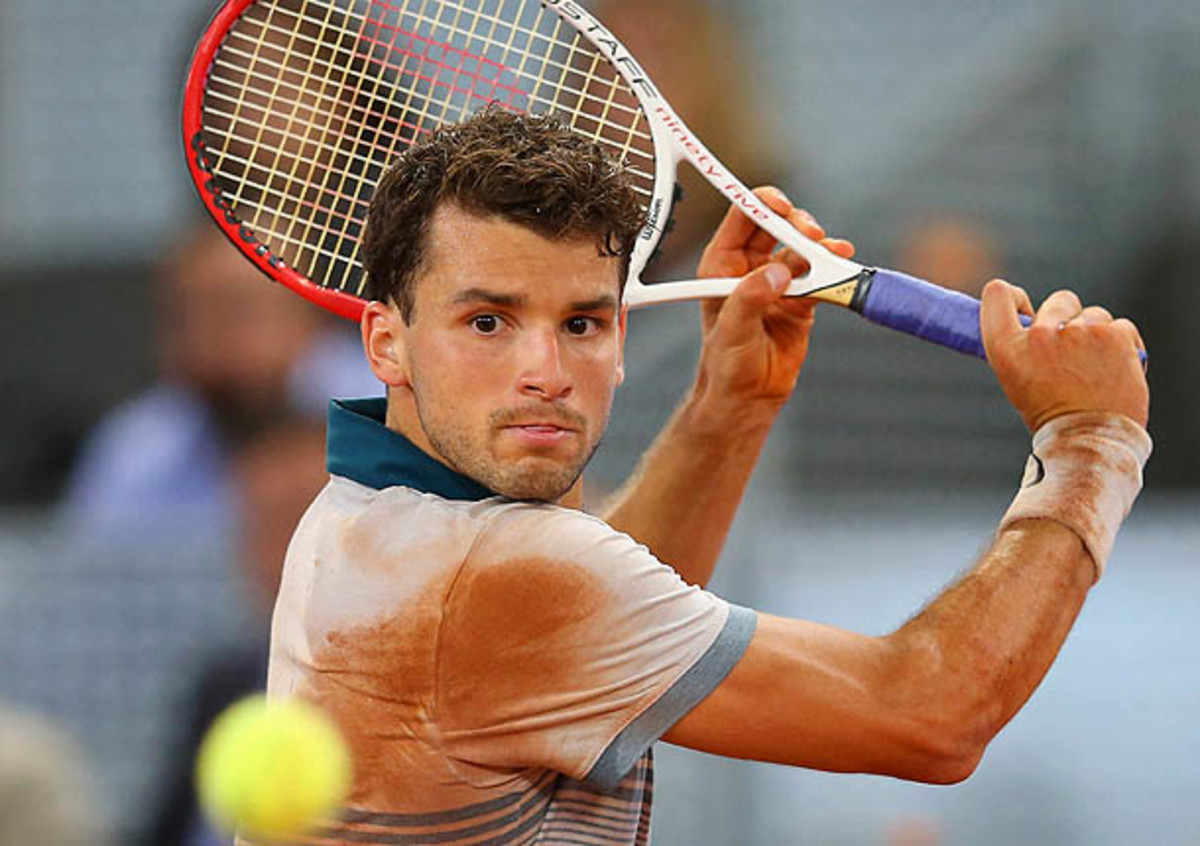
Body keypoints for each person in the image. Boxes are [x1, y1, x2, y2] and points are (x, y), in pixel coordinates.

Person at [251, 108, 1150, 845]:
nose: (546, 372)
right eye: (488, 322)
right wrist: (1089, 439)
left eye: (581, 323)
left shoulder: (364, 515)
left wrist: (730, 407)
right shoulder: (487, 577)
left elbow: (590, 622)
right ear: (386, 342)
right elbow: (932, 714)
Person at [61, 223, 377, 537]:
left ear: (310, 312)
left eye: (236, 313)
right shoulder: (135, 450)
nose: (205, 343)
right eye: (185, 319)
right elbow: (92, 559)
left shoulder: (389, 405)